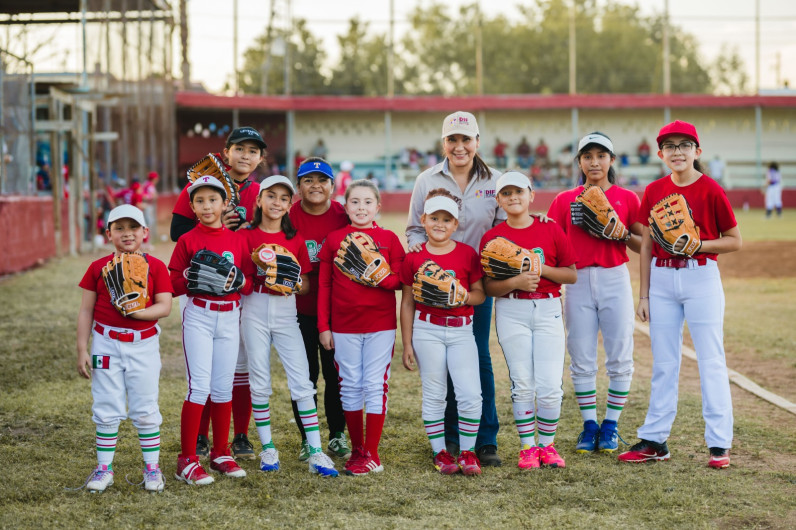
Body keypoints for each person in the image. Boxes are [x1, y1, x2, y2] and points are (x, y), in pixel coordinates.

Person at [619, 120, 742, 469]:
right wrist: (643, 295)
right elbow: (645, 245)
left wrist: (701, 244)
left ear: (697, 152)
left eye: (684, 145)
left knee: (711, 360)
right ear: (660, 154)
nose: (677, 151)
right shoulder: (654, 190)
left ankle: (719, 444)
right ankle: (655, 440)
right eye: (670, 146)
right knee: (665, 363)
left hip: (700, 277)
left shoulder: (711, 190)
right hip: (661, 279)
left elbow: (735, 240)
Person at [406, 111, 506, 466]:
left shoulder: (496, 181)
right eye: (453, 139)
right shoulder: (426, 180)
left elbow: (501, 232)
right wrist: (427, 262)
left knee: (477, 357)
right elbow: (414, 231)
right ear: (443, 142)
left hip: (475, 286)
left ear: (478, 141)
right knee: (441, 364)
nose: (460, 146)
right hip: (434, 288)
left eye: (466, 139)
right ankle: (448, 438)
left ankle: (485, 438)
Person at [170, 126, 267, 461]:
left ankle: (238, 436)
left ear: (260, 158)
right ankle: (198, 437)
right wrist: (216, 219)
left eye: (252, 151)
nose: (245, 155)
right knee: (201, 371)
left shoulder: (259, 190)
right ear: (225, 152)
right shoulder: (204, 182)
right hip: (201, 282)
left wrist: (242, 229)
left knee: (238, 367)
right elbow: (177, 231)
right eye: (239, 148)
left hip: (239, 284)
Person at [547, 132, 643, 454]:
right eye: (587, 156)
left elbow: (645, 247)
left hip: (615, 276)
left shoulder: (627, 199)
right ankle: (590, 426)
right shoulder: (564, 200)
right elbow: (552, 245)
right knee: (582, 356)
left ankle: (611, 426)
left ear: (611, 160)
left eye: (601, 155)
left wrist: (623, 233)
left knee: (620, 355)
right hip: (576, 281)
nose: (594, 162)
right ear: (579, 162)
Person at [239, 175, 339, 477]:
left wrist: (288, 281)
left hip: (285, 310)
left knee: (301, 379)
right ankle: (268, 447)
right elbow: (240, 283)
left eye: (283, 198)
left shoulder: (293, 238)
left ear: (289, 203)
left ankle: (316, 451)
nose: (277, 202)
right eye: (271, 196)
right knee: (259, 378)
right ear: (259, 200)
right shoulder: (245, 236)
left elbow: (306, 284)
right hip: (254, 307)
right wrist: (259, 274)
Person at [480, 171, 577, 469]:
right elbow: (487, 287)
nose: (513, 197)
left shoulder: (550, 229)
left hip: (548, 308)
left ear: (531, 195)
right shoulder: (492, 238)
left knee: (550, 385)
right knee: (522, 383)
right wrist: (516, 282)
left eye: (519, 191)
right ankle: (527, 447)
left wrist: (539, 268)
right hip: (512, 310)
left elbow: (571, 274)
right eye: (506, 193)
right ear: (498, 200)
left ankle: (547, 445)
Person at [76, 204, 173, 492]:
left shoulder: (155, 266)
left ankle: (152, 469)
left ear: (145, 232)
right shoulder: (98, 267)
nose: (126, 233)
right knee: (106, 404)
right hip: (105, 342)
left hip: (143, 343)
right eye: (119, 228)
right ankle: (104, 468)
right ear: (108, 233)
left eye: (133, 227)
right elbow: (85, 311)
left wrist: (136, 314)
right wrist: (82, 348)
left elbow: (164, 306)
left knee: (145, 406)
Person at [317, 180, 406, 475]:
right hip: (343, 324)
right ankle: (357, 449)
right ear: (345, 206)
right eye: (355, 202)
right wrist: (323, 326)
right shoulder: (334, 239)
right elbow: (325, 284)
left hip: (380, 324)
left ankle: (373, 453)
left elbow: (399, 281)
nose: (361, 208)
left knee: (374, 384)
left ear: (378, 207)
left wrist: (376, 273)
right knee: (350, 384)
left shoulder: (389, 238)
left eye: (368, 202)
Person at [168, 177, 251, 485]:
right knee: (199, 388)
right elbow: (173, 282)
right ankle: (186, 460)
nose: (206, 206)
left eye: (212, 200)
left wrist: (241, 281)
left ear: (224, 204)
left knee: (222, 388)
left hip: (230, 317)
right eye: (199, 201)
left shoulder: (238, 239)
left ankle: (220, 451)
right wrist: (193, 275)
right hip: (200, 315)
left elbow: (251, 281)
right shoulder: (188, 240)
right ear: (192, 206)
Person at [400, 190, 486, 476]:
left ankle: (468, 451)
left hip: (462, 330)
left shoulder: (466, 253)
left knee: (470, 393)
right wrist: (407, 343)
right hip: (427, 329)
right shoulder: (415, 257)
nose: (439, 224)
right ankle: (440, 452)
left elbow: (480, 295)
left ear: (455, 224)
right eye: (434, 218)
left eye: (446, 220)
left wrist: (461, 297)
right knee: (435, 394)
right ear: (423, 220)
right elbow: (408, 302)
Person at [289, 158, 351, 462]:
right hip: (296, 310)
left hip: (335, 310)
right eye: (308, 180)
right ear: (298, 186)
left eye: (322, 180)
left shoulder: (343, 214)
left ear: (333, 186)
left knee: (335, 373)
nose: (315, 186)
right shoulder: (288, 216)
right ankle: (306, 437)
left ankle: (338, 434)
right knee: (304, 376)